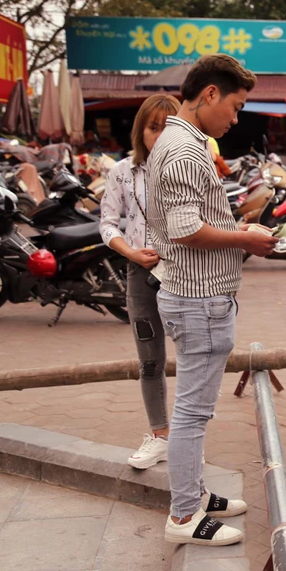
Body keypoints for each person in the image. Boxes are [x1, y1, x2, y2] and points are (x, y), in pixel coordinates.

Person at [146, 54, 278, 547]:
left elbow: (192, 220)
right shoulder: (183, 151)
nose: (236, 118)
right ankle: (183, 516)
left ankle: (195, 493)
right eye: (236, 106)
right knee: (192, 413)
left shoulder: (184, 142)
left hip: (197, 296)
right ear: (209, 96)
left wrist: (239, 228)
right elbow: (185, 230)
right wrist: (245, 239)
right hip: (199, 300)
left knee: (194, 409)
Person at [99, 93, 180, 469]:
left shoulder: (188, 168)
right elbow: (108, 224)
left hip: (184, 273)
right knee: (150, 359)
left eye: (168, 126)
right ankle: (159, 435)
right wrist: (131, 253)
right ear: (140, 130)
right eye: (153, 127)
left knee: (196, 357)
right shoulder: (122, 172)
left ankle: (189, 437)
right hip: (139, 275)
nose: (160, 135)